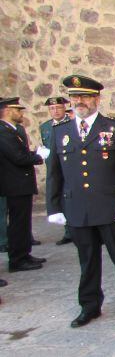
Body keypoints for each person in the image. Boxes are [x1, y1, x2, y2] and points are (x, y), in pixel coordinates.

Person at [46, 75, 115, 328]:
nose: (80, 101)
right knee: (87, 260)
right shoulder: (60, 131)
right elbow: (54, 173)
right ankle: (89, 306)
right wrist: (54, 206)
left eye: (86, 96)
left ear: (97, 99)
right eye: (75, 97)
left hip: (110, 207)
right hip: (77, 207)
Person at [0, 97, 48, 273]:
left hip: (20, 185)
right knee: (18, 223)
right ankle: (17, 259)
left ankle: (24, 253)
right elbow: (18, 157)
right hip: (15, 185)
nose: (21, 113)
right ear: (6, 111)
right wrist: (39, 156)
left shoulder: (11, 130)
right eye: (17, 110)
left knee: (22, 222)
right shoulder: (3, 131)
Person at [41, 96, 74, 246]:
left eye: (58, 108)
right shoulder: (46, 127)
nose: (55, 111)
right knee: (61, 199)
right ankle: (68, 232)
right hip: (56, 169)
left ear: (64, 108)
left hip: (71, 168)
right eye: (52, 109)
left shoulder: (73, 123)